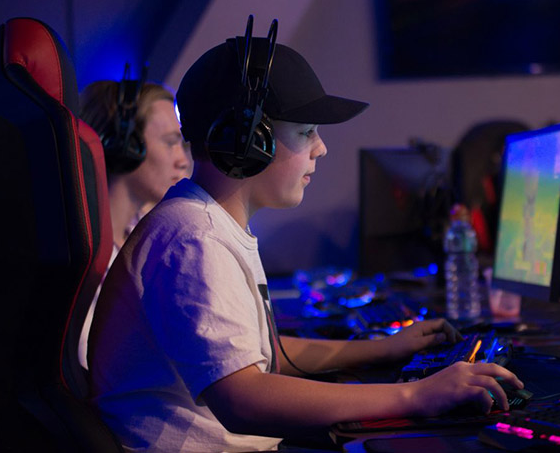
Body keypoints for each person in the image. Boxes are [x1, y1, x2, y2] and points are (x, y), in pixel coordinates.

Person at [88, 35, 523, 452]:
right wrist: (415, 396)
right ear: (248, 141)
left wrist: (384, 349)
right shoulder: (194, 239)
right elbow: (244, 399)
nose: (321, 148)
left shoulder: (206, 223)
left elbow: (261, 355)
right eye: (306, 131)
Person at [78, 79, 191, 368]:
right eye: (170, 143)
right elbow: (89, 364)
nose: (182, 160)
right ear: (125, 147)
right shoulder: (85, 256)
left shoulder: (149, 235)